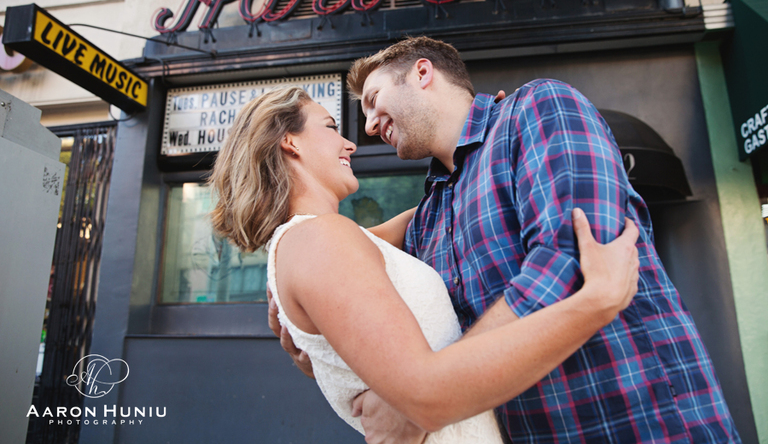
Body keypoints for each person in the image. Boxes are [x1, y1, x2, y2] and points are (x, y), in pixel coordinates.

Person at [275, 36, 742, 443]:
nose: (372, 125)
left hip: (637, 419)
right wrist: (289, 294)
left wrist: (419, 399)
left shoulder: (537, 108)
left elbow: (574, 260)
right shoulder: (432, 213)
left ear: (422, 73)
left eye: (375, 100)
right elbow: (339, 253)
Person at [209, 86, 642, 443]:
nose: (350, 142)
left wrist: (486, 139)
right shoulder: (317, 239)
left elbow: (428, 212)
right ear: (290, 141)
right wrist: (596, 303)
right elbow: (426, 396)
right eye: (330, 127)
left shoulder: (324, 242)